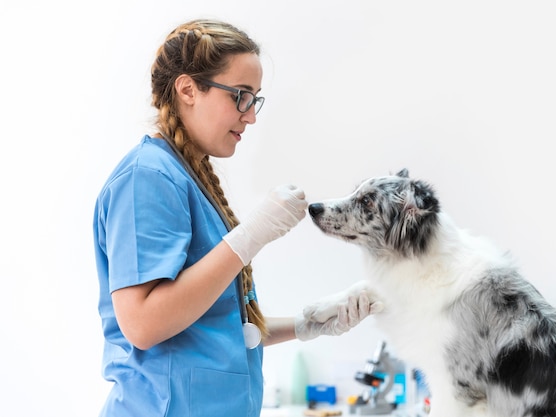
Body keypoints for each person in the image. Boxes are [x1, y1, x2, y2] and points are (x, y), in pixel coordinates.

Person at [93, 18, 382, 417]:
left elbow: (209, 330)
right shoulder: (147, 178)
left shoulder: (187, 177)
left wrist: (302, 326)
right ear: (188, 89)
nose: (250, 116)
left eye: (255, 99)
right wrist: (250, 237)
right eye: (240, 96)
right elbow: (144, 324)